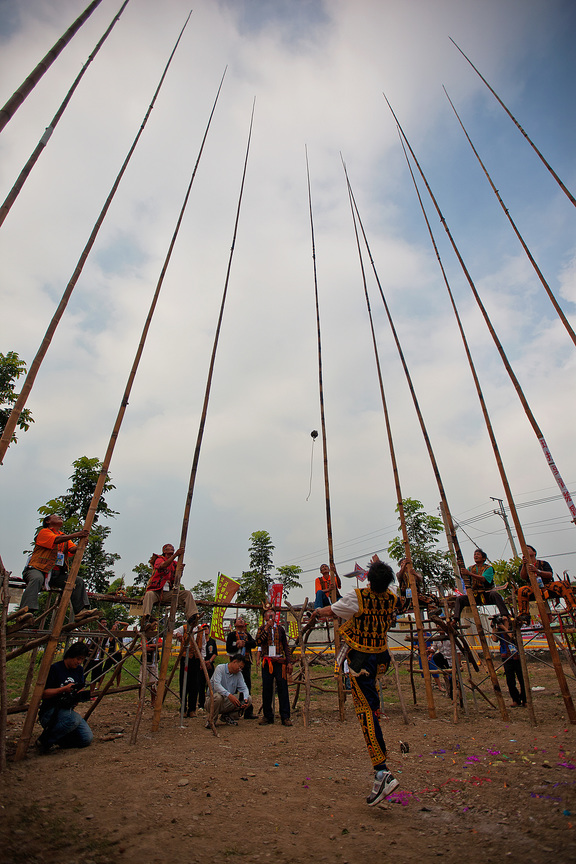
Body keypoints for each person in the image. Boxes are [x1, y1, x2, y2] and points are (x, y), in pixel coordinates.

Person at [312, 554, 399, 806]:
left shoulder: (356, 598)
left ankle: (382, 771)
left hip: (361, 662)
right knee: (371, 705)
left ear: (368, 581)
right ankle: (381, 768)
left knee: (366, 713)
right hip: (380, 657)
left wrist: (318, 611)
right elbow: (391, 586)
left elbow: (332, 610)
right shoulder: (392, 597)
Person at [20, 514, 90, 616]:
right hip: (37, 569)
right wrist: (76, 535)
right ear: (48, 521)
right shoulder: (44, 532)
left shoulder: (63, 536)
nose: (60, 517)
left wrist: (81, 544)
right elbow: (56, 540)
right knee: (37, 579)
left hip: (55, 575)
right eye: (56, 516)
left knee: (77, 581)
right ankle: (26, 611)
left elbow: (72, 549)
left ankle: (81, 612)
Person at [36, 642, 93, 753]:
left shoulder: (79, 670)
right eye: (78, 658)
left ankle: (59, 740)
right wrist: (63, 689)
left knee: (86, 738)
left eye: (82, 659)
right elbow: (44, 694)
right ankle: (44, 741)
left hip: (67, 709)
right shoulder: (55, 669)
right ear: (70, 655)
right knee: (74, 720)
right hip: (51, 711)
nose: (79, 662)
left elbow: (79, 687)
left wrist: (78, 694)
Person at [140, 544, 198, 630]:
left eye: (173, 549)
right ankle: (146, 618)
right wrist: (175, 555)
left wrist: (180, 571)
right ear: (164, 551)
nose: (172, 549)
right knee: (149, 595)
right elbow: (163, 565)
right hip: (156, 591)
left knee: (187, 594)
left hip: (168, 593)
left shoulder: (175, 564)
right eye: (169, 548)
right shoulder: (159, 559)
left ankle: (192, 616)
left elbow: (176, 579)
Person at [517, 545, 576, 623]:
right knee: (521, 590)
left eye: (528, 549)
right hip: (532, 588)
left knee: (563, 584)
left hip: (547, 586)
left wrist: (538, 571)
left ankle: (573, 608)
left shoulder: (543, 563)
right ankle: (524, 615)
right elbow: (523, 577)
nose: (526, 551)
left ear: (534, 552)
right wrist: (524, 565)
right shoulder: (523, 566)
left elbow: (549, 574)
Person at [255, 609, 293, 726]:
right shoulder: (262, 629)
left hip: (279, 661)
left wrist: (289, 661)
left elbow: (285, 646)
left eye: (273, 614)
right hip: (267, 662)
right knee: (266, 688)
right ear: (265, 617)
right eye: (269, 614)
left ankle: (285, 716)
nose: (271, 616)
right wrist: (266, 629)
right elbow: (258, 641)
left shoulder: (280, 629)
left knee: (283, 688)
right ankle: (267, 716)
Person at [453, 549, 510, 622]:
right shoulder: (471, 568)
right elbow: (465, 578)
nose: (476, 556)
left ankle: (505, 614)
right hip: (475, 595)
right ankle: (455, 619)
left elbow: (483, 579)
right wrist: (460, 567)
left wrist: (469, 573)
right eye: (475, 554)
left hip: (486, 594)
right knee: (460, 599)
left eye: (478, 554)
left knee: (495, 595)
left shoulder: (488, 568)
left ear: (484, 558)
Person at [205, 654, 251, 727]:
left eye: (241, 668)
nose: (240, 669)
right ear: (234, 662)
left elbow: (244, 688)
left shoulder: (238, 674)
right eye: (239, 667)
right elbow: (217, 686)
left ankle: (228, 717)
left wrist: (245, 700)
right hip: (212, 700)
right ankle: (211, 721)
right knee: (218, 697)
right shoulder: (220, 668)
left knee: (249, 698)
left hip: (227, 701)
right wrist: (229, 695)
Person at [491, 614, 526, 707]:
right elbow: (494, 639)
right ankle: (515, 699)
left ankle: (525, 699)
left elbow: (511, 636)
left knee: (522, 679)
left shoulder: (515, 627)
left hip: (517, 656)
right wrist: (493, 627)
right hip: (506, 656)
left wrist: (504, 627)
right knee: (510, 680)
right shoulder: (500, 630)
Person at [226, 617, 257, 718]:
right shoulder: (231, 635)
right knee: (233, 687)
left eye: (242, 619)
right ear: (234, 624)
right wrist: (237, 646)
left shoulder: (247, 635)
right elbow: (228, 648)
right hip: (234, 665)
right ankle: (232, 711)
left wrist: (245, 643)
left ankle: (247, 712)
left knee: (246, 686)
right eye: (239, 619)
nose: (241, 620)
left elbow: (254, 644)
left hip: (246, 663)